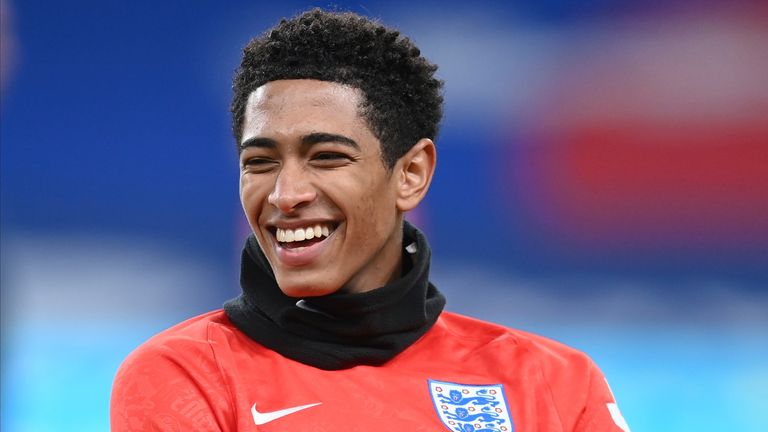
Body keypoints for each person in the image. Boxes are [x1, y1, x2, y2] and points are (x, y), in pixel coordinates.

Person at [110, 9, 630, 431]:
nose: (285, 195)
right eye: (260, 163)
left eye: (327, 157)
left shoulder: (553, 383)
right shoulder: (185, 376)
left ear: (411, 174)